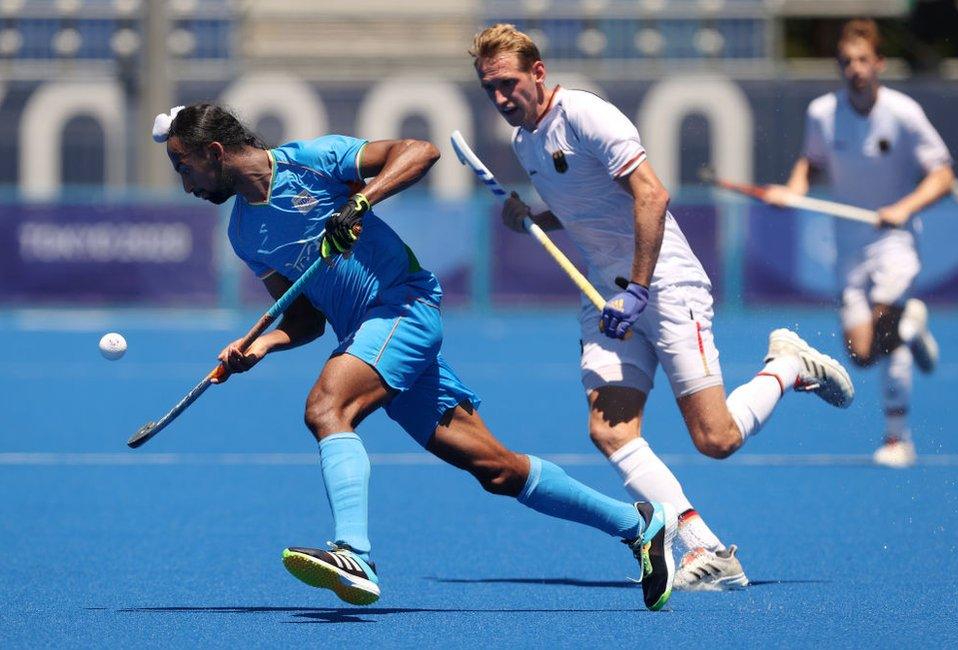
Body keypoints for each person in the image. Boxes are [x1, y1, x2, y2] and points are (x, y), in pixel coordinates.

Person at [154, 102, 681, 611]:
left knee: (326, 409)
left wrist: (360, 202)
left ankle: (355, 555)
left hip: (402, 308)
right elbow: (305, 318)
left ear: (216, 152)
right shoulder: (245, 233)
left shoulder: (311, 161)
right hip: (365, 336)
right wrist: (260, 344)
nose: (186, 185)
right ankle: (638, 524)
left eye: (184, 166)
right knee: (497, 470)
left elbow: (420, 151)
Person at [469, 24, 856, 591]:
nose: (501, 98)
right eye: (489, 89)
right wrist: (535, 216)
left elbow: (651, 194)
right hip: (604, 296)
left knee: (716, 439)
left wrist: (641, 289)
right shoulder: (525, 141)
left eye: (508, 83)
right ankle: (705, 547)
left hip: (664, 286)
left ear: (538, 73)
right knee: (609, 430)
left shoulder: (585, 116)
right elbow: (587, 204)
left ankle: (787, 366)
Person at [764, 18, 953, 468]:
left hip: (895, 242)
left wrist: (904, 208)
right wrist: (794, 189)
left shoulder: (904, 114)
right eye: (846, 61)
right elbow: (810, 162)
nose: (855, 69)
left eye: (863, 60)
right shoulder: (822, 114)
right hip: (848, 247)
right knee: (862, 355)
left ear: (879, 64)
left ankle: (896, 439)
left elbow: (943, 174)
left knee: (888, 325)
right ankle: (914, 323)